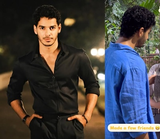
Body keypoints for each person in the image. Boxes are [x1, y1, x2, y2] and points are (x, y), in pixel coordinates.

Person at [6, 5, 100, 139]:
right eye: (42, 28)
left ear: (59, 28)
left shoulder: (77, 56)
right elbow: (12, 93)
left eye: (52, 27)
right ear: (35, 29)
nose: (47, 33)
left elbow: (92, 85)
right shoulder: (25, 63)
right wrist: (26, 119)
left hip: (71, 127)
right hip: (41, 128)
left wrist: (86, 116)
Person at [105, 6, 157, 139]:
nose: (147, 37)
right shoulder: (133, 63)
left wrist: (144, 81)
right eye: (148, 32)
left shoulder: (108, 54)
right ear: (140, 31)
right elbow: (137, 123)